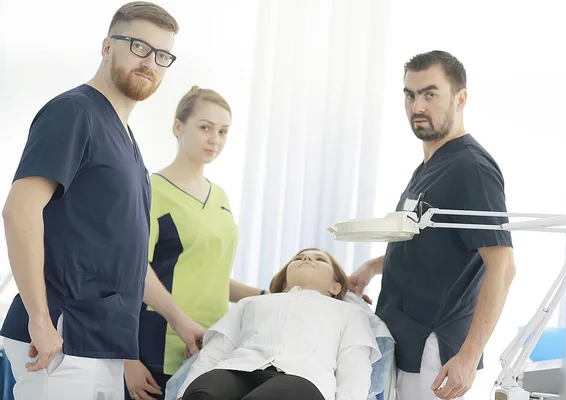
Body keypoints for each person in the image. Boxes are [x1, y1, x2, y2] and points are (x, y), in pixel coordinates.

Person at [0, 2, 205, 399]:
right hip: (60, 339)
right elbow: (19, 210)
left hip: (105, 344)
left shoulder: (127, 139)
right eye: (139, 47)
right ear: (108, 46)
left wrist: (179, 320)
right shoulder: (73, 112)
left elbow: (125, 258)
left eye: (163, 55)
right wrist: (40, 322)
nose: (150, 63)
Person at [349, 51, 517, 400]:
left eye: (430, 93)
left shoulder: (471, 169)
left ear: (461, 98)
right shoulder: (429, 165)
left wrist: (468, 357)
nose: (417, 106)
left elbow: (502, 266)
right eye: (410, 95)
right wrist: (371, 267)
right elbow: (430, 245)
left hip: (434, 350)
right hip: (402, 337)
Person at [124, 87, 265, 400]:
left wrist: (270, 295)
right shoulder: (151, 191)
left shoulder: (221, 197)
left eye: (223, 131)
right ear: (178, 127)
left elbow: (208, 274)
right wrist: (126, 357)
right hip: (158, 348)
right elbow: (131, 273)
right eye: (205, 127)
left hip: (214, 348)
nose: (214, 139)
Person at [175, 248, 381, 400]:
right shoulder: (251, 303)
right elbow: (214, 352)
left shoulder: (350, 313)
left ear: (336, 287)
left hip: (302, 378)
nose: (307, 258)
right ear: (283, 282)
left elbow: (354, 370)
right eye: (298, 258)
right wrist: (183, 394)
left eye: (320, 259)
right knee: (202, 394)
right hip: (237, 369)